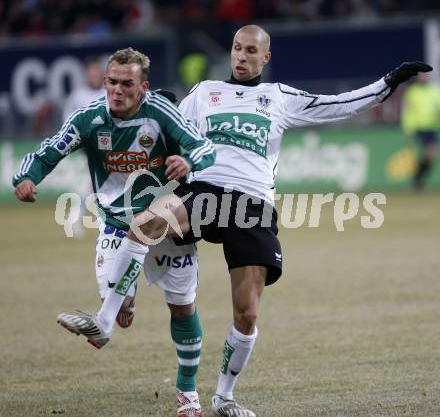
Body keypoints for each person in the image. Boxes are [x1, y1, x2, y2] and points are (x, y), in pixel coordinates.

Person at [58, 26, 431, 417]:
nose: (241, 56)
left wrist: (389, 82)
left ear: (264, 57)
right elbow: (167, 130)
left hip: (251, 204)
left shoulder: (279, 98)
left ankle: (224, 397)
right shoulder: (203, 93)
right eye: (237, 48)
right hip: (205, 191)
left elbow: (340, 104)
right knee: (145, 224)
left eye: (250, 50)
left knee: (247, 313)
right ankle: (104, 321)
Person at [13, 47, 215, 417]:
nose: (117, 90)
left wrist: (187, 158)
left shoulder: (160, 113)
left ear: (143, 88)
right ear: (104, 82)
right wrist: (27, 176)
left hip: (169, 219)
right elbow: (48, 152)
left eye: (127, 84)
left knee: (183, 308)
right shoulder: (89, 119)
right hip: (117, 222)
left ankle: (187, 390)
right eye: (112, 82)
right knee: (120, 303)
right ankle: (122, 302)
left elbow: (204, 147)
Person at [62, 56, 106, 238]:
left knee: (96, 186)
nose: (94, 75)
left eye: (97, 71)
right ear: (86, 74)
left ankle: (79, 218)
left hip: (110, 144)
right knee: (94, 183)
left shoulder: (108, 93)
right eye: (91, 71)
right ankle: (79, 218)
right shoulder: (78, 96)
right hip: (90, 145)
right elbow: (68, 121)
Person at [401, 71, 440, 190]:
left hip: (431, 127)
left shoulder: (435, 91)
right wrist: (408, 129)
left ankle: (418, 178)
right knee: (427, 153)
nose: (424, 77)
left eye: (426, 75)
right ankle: (417, 179)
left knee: (431, 155)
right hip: (418, 127)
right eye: (422, 75)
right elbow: (407, 112)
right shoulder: (412, 92)